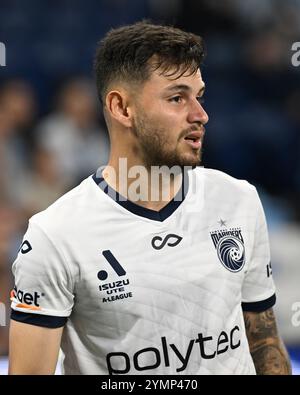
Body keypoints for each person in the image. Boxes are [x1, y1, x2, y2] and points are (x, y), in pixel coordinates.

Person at [8, 21, 291, 375]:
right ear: (122, 108)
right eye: (177, 98)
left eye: (199, 96)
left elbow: (264, 343)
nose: (200, 115)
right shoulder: (56, 235)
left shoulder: (239, 200)